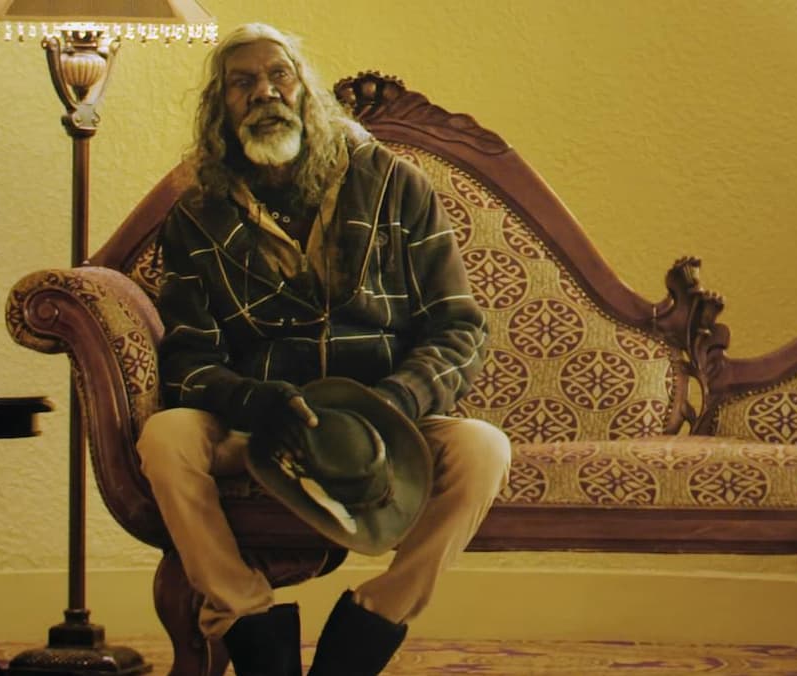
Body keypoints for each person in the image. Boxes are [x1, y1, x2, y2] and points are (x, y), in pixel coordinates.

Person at [134, 22, 513, 676]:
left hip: (386, 419)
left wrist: (396, 400)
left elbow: (459, 327)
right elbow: (189, 360)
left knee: (484, 449)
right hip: (261, 427)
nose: (264, 93)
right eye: (242, 83)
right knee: (166, 439)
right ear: (220, 110)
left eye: (278, 75)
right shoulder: (196, 215)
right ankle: (246, 619)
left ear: (306, 92)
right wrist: (252, 400)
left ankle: (371, 624)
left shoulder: (395, 185)